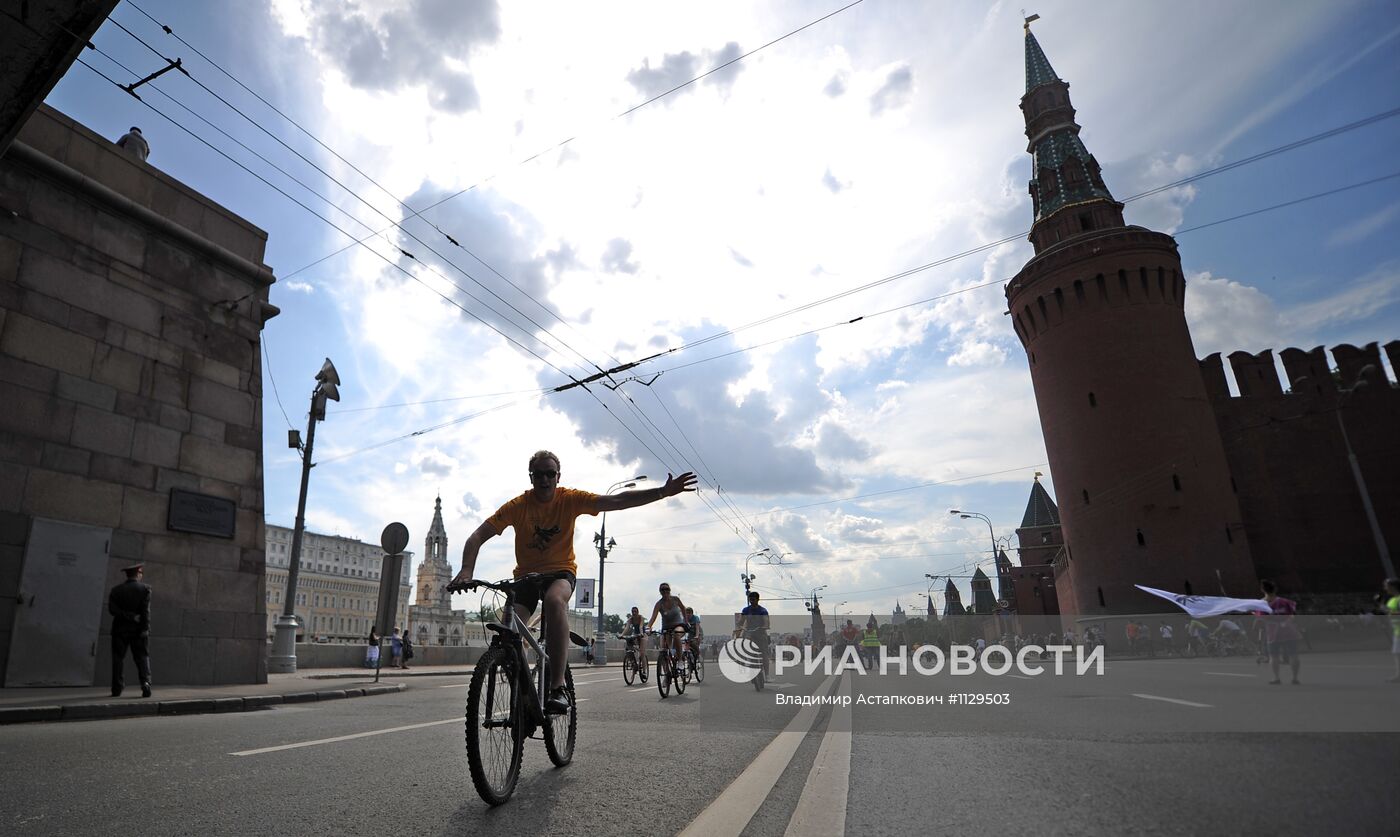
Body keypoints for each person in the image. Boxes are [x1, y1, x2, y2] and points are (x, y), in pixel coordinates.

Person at [448, 450, 696, 713]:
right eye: (538, 474)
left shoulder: (570, 499)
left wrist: (661, 492)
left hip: (560, 573)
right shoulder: (518, 505)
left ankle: (557, 688)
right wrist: (466, 570)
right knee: (510, 630)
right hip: (526, 578)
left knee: (555, 602)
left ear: (558, 476)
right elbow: (477, 536)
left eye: (550, 474)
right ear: (531, 478)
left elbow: (618, 501)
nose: (544, 479)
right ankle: (521, 685)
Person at [109, 563, 152, 698]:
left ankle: (117, 688)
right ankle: (145, 683)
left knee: (118, 659)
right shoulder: (145, 589)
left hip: (119, 630)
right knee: (142, 657)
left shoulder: (116, 590)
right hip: (138, 631)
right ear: (139, 573)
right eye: (141, 573)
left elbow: (112, 610)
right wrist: (144, 627)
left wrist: (128, 616)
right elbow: (145, 612)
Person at [1260, 579, 1302, 685]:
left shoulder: (1261, 604)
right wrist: (1286, 621)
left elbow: (1261, 618)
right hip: (1289, 630)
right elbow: (1292, 615)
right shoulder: (1285, 601)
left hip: (1273, 633)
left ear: (1262, 590)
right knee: (1293, 655)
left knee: (1274, 656)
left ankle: (1276, 678)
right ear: (1275, 589)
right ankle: (1295, 678)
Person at [647, 583, 691, 674]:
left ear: (669, 590)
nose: (665, 591)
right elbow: (653, 617)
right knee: (663, 650)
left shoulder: (676, 599)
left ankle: (680, 661)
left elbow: (683, 608)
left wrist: (686, 621)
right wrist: (648, 627)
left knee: (676, 634)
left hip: (679, 625)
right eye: (662, 590)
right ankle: (667, 674)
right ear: (660, 592)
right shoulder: (659, 604)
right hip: (666, 628)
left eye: (667, 589)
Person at [740, 591, 770, 675]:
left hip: (760, 633)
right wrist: (740, 625)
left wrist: (765, 626)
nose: (751, 601)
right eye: (750, 600)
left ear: (758, 600)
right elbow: (741, 621)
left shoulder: (762, 610)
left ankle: (767, 675)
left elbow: (766, 621)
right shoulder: (746, 610)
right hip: (749, 633)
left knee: (764, 655)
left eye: (753, 600)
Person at [1379, 578, 1400, 683]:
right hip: (1397, 631)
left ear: (1393, 587)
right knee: (1396, 653)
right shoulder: (1392, 600)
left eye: (1386, 585)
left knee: (1397, 653)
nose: (1385, 588)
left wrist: (1387, 610)